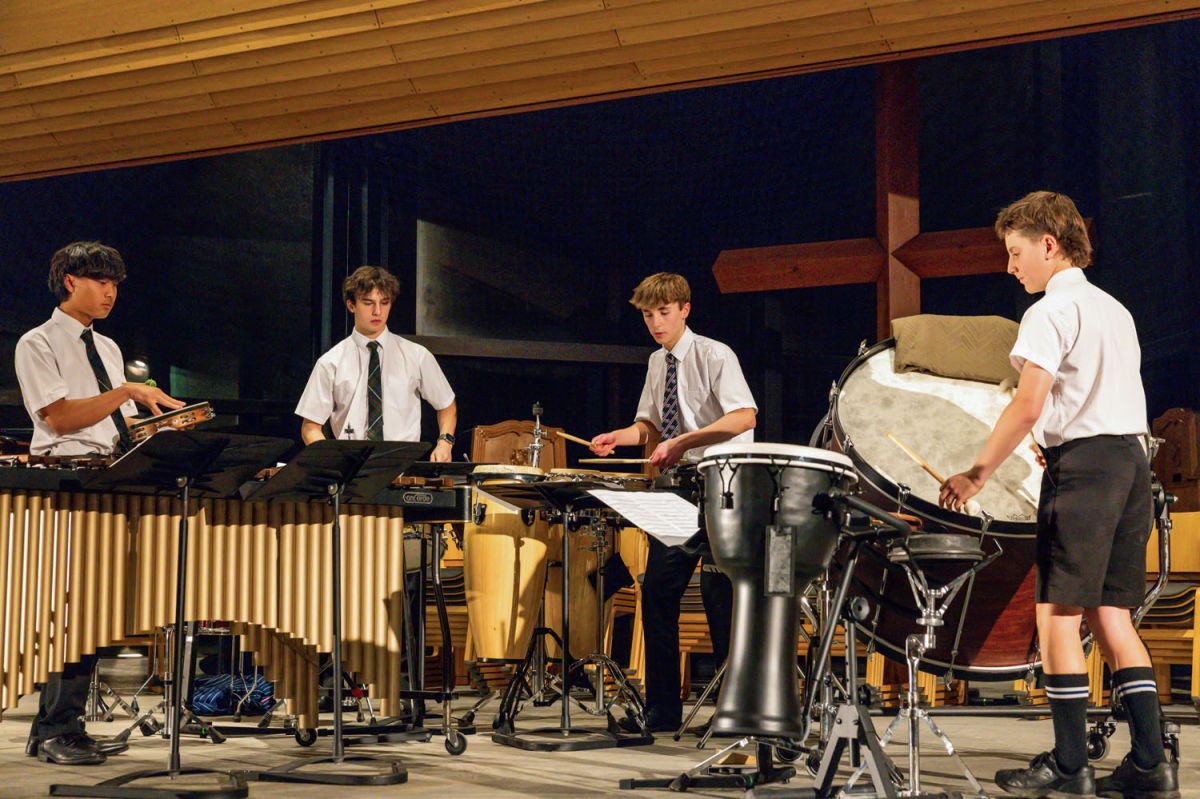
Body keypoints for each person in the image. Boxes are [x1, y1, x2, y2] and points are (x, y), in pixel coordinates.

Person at [939, 191, 1178, 798]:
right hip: (1130, 462)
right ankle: (1152, 765)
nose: (1011, 266)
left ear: (1050, 246)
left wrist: (977, 472)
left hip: (1088, 471)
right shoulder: (1114, 309)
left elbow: (1028, 402)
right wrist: (1063, 438)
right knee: (1113, 615)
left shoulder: (1048, 312)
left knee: (1057, 617)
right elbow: (1101, 399)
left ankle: (1071, 767)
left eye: (1017, 253)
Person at [14, 241, 185, 764]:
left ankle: (63, 727)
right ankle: (52, 730)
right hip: (65, 484)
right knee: (66, 611)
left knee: (94, 611)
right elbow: (61, 418)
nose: (111, 292)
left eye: (115, 284)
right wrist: (129, 394)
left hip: (110, 478)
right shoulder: (37, 342)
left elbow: (115, 424)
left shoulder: (108, 349)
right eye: (100, 281)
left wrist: (161, 426)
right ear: (71, 282)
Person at [590, 272, 757, 732]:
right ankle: (662, 711)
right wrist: (618, 438)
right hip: (680, 485)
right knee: (659, 591)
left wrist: (686, 441)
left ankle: (732, 713)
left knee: (717, 594)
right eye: (647, 314)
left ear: (685, 309)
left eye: (664, 312)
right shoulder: (655, 362)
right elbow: (649, 426)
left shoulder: (714, 354)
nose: (656, 322)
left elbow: (744, 416)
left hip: (725, 484)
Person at [295, 266, 457, 460]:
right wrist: (333, 460)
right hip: (350, 470)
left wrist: (445, 443)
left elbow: (447, 405)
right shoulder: (330, 362)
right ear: (351, 305)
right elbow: (310, 426)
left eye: (384, 303)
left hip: (402, 468)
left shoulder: (417, 355)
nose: (377, 311)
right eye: (368, 303)